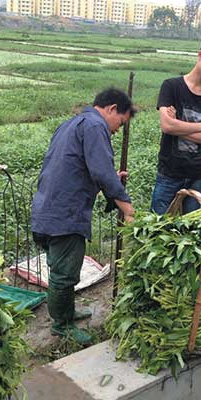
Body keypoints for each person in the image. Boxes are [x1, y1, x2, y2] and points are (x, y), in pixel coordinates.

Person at [31, 88, 136, 344]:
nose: (117, 131)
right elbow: (101, 171)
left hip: (49, 207)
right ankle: (61, 324)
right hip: (64, 213)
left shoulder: (72, 124)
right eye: (120, 124)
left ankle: (66, 312)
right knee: (64, 273)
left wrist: (111, 181)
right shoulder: (94, 126)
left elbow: (78, 168)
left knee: (62, 267)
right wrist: (128, 209)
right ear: (112, 109)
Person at [151, 32, 201, 215]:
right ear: (200, 55)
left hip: (198, 172)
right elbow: (166, 126)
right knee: (159, 228)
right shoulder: (171, 87)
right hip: (169, 171)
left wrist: (177, 126)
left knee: (190, 230)